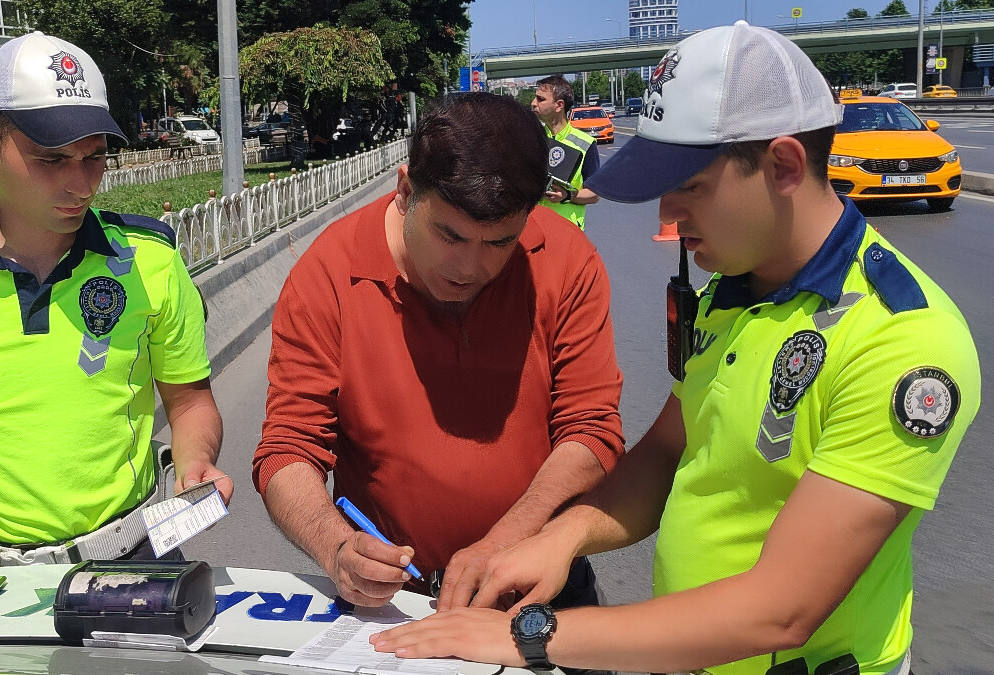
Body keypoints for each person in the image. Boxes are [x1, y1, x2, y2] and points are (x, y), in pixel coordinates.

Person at [370, 22, 980, 675]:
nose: (667, 218)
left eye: (689, 186)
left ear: (782, 166)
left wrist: (529, 635)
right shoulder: (733, 291)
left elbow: (781, 609)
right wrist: (558, 536)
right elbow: (668, 450)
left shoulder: (902, 339)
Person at [0, 31, 232, 572]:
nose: (82, 184)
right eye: (53, 159)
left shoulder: (147, 259)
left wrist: (195, 461)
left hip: (124, 562)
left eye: (95, 157)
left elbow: (190, 399)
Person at [252, 92, 625, 611]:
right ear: (405, 190)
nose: (470, 268)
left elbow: (591, 429)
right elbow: (288, 450)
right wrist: (336, 548)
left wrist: (502, 543)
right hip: (397, 604)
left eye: (499, 243)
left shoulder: (567, 261)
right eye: (449, 235)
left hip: (540, 589)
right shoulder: (327, 277)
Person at [532, 75, 600, 230]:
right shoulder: (531, 137)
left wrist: (567, 196)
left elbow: (594, 194)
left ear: (559, 105)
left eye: (540, 99)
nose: (533, 104)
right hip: (533, 228)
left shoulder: (585, 143)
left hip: (567, 231)